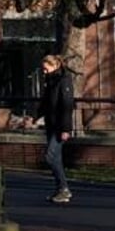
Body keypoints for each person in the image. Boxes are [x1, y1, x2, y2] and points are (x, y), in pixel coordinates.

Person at [37, 54, 75, 204]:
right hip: (51, 123)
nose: (44, 72)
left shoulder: (63, 81)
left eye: (46, 69)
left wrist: (66, 129)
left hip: (60, 126)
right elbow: (46, 103)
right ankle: (61, 189)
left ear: (55, 66)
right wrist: (35, 118)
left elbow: (66, 105)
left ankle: (64, 188)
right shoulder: (50, 81)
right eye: (43, 70)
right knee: (56, 158)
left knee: (50, 156)